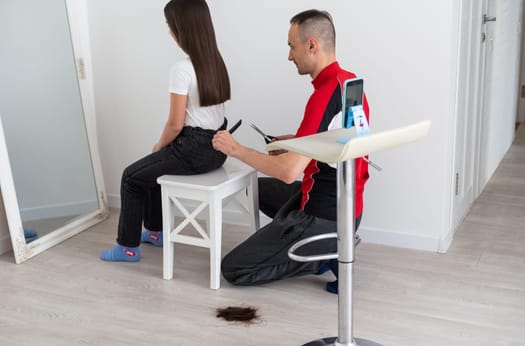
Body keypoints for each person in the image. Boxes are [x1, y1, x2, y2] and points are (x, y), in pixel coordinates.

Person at [212, 9, 369, 293]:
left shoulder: (323, 96)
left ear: (312, 45)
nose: (289, 56)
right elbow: (337, 140)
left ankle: (318, 257)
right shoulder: (348, 82)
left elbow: (288, 172)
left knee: (233, 269)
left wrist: (236, 149)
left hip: (322, 218)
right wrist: (294, 142)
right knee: (258, 189)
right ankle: (324, 248)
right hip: (348, 211)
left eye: (291, 47)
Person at [101, 0, 230, 262]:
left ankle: (127, 247)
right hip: (217, 148)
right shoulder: (215, 61)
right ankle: (156, 232)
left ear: (182, 30)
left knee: (131, 177)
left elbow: (175, 124)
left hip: (193, 148)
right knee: (149, 171)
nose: (169, 32)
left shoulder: (182, 69)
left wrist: (159, 145)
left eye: (170, 26)